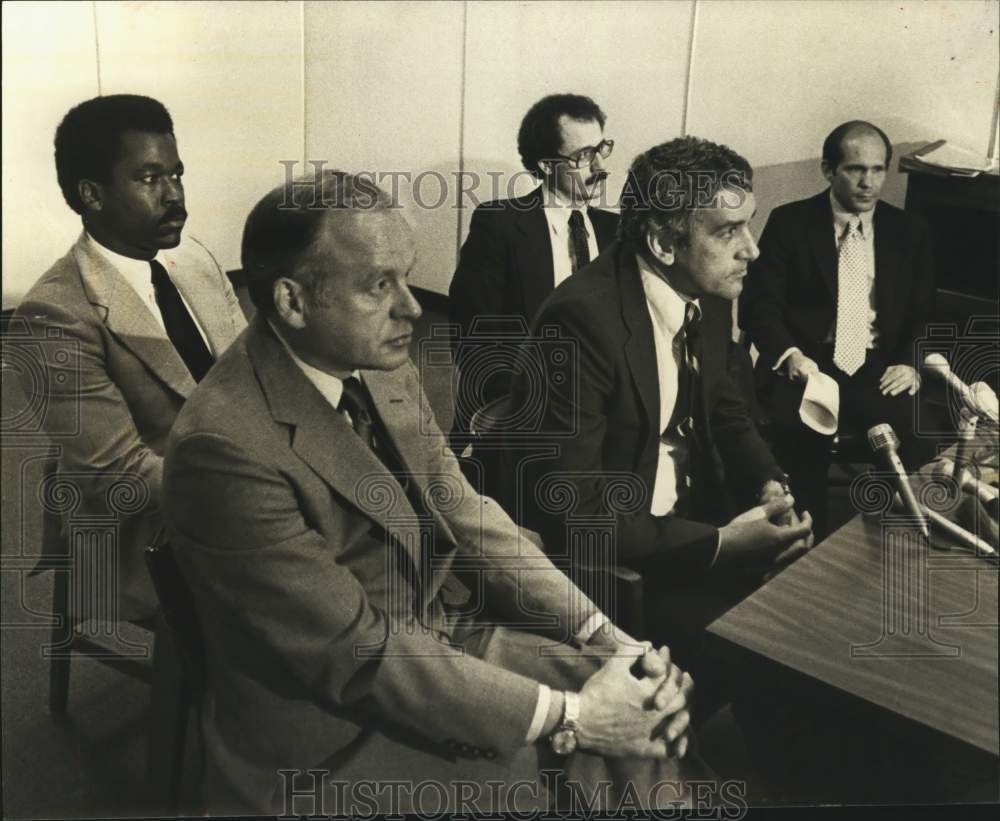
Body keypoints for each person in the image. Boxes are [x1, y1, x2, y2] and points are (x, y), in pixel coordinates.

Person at [161, 170, 715, 815]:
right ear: (292, 301)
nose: (413, 307)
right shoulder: (224, 449)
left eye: (406, 276)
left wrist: (611, 641)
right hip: (331, 729)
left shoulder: (375, 363)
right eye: (379, 285)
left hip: (442, 640)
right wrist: (576, 715)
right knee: (573, 758)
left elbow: (468, 514)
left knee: (645, 707)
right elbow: (356, 655)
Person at [506, 136, 814, 673]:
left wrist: (770, 486)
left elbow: (726, 408)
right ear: (663, 243)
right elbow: (574, 510)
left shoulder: (708, 289)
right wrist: (722, 543)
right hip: (624, 568)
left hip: (698, 522)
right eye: (727, 231)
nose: (752, 249)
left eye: (749, 224)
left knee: (815, 615)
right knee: (780, 653)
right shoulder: (580, 322)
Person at [11, 94, 246, 621]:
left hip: (236, 475)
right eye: (148, 179)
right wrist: (261, 487)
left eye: (177, 174)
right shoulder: (53, 315)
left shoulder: (194, 259)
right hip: (144, 529)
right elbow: (121, 476)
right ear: (91, 194)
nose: (175, 196)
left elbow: (254, 376)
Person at [739, 121, 936, 537]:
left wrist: (909, 364)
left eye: (878, 170)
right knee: (801, 436)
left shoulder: (909, 233)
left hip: (877, 366)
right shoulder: (790, 223)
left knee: (921, 430)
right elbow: (760, 306)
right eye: (855, 169)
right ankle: (808, 544)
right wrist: (790, 355)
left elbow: (925, 313)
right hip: (808, 365)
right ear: (829, 169)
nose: (868, 182)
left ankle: (892, 542)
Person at [448, 93, 618, 441]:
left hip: (601, 415)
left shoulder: (616, 232)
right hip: (519, 411)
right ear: (546, 165)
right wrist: (529, 405)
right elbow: (473, 336)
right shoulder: (500, 224)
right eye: (584, 156)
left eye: (601, 149)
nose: (600, 168)